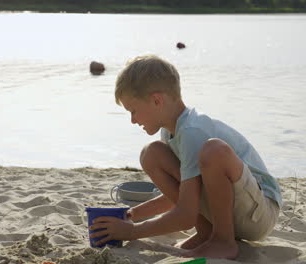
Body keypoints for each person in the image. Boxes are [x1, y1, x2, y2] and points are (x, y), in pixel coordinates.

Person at [90, 55, 282, 260]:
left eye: (134, 111)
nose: (133, 120)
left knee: (214, 150)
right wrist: (129, 216)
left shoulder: (193, 130)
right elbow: (183, 196)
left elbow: (186, 214)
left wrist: (132, 232)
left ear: (156, 100)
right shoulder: (170, 131)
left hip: (258, 213)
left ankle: (223, 241)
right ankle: (207, 233)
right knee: (152, 154)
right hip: (234, 211)